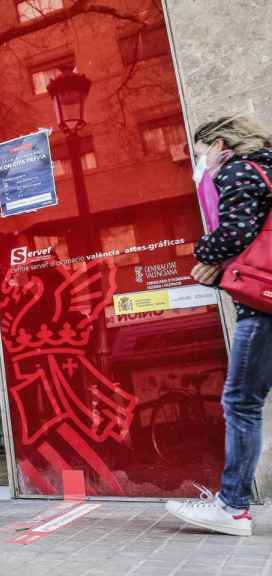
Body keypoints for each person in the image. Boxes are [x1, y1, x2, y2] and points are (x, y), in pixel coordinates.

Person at [166, 115, 272, 537]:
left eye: (200, 152)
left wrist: (204, 253)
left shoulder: (239, 170)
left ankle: (232, 507)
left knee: (242, 403)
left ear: (221, 144)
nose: (200, 161)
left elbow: (235, 231)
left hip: (262, 305)